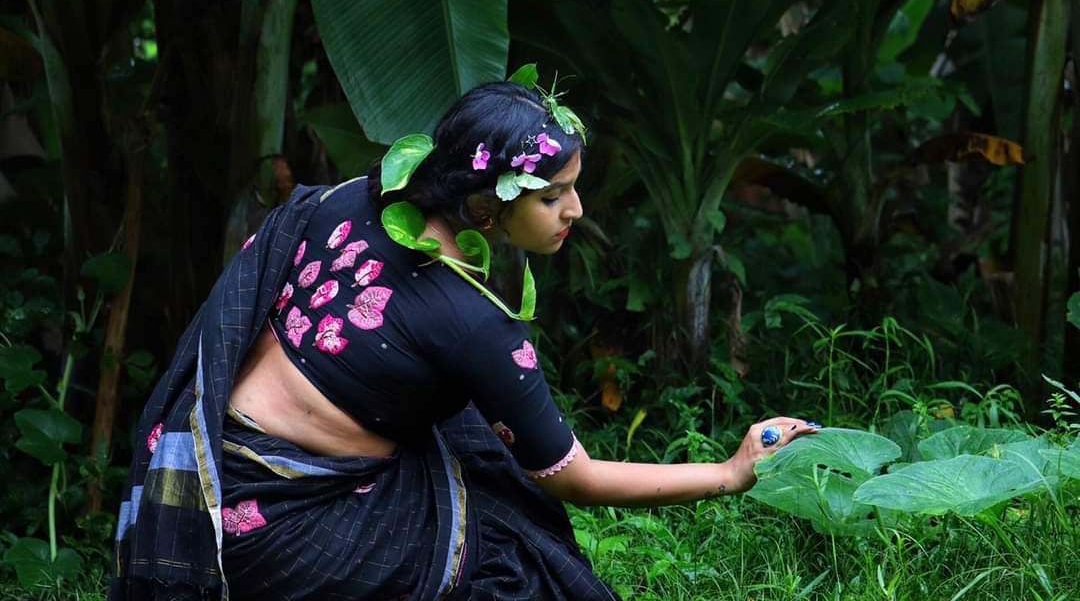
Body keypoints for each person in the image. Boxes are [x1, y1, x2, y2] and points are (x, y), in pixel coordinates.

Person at [111, 77, 818, 601]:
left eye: (574, 186)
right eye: (551, 196)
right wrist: (730, 473)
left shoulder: (349, 198)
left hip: (212, 469)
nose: (574, 209)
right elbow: (576, 479)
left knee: (479, 453)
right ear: (487, 201)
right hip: (281, 529)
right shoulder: (474, 324)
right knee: (511, 567)